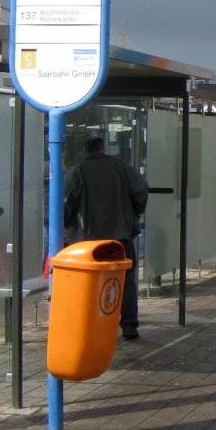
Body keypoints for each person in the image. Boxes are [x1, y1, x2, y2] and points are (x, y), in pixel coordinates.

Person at [63, 136, 149, 340]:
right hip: (120, 237)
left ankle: (93, 325)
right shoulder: (121, 167)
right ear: (103, 149)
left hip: (88, 240)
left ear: (86, 152)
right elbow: (142, 188)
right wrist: (133, 213)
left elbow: (68, 201)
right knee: (126, 281)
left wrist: (68, 223)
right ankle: (129, 326)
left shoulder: (78, 171)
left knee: (90, 282)